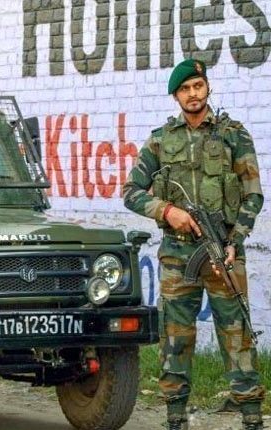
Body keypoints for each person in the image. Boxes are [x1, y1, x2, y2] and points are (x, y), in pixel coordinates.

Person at [123, 59, 265, 430]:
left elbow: (253, 195)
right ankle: (175, 417)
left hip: (224, 251)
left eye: (198, 86)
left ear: (207, 88)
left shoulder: (233, 135)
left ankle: (251, 416)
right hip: (177, 256)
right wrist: (167, 211)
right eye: (185, 89)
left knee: (236, 334)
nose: (193, 94)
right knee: (176, 338)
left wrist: (235, 240)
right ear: (176, 96)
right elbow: (131, 192)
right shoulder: (160, 140)